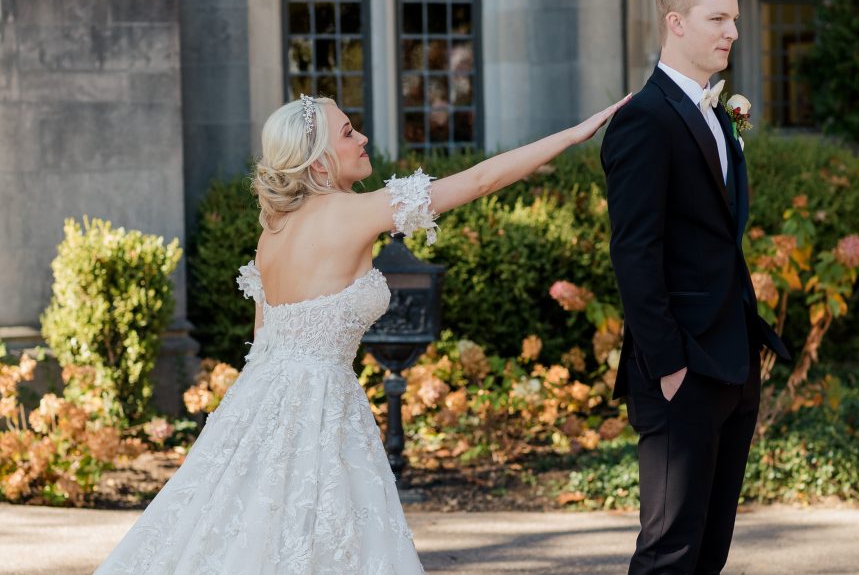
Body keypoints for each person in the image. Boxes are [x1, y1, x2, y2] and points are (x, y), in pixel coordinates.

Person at [95, 91, 628, 574]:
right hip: (318, 405)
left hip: (259, 402)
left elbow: (263, 342)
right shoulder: (353, 213)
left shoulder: (272, 231)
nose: (363, 138)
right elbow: (479, 181)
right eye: (348, 132)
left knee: (245, 531)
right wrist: (575, 132)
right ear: (320, 158)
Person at [601, 0, 790, 575]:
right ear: (675, 22)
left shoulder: (717, 114)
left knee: (710, 549)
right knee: (669, 552)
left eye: (734, 20)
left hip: (733, 360)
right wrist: (671, 366)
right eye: (717, 19)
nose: (731, 32)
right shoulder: (643, 119)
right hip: (680, 367)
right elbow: (635, 252)